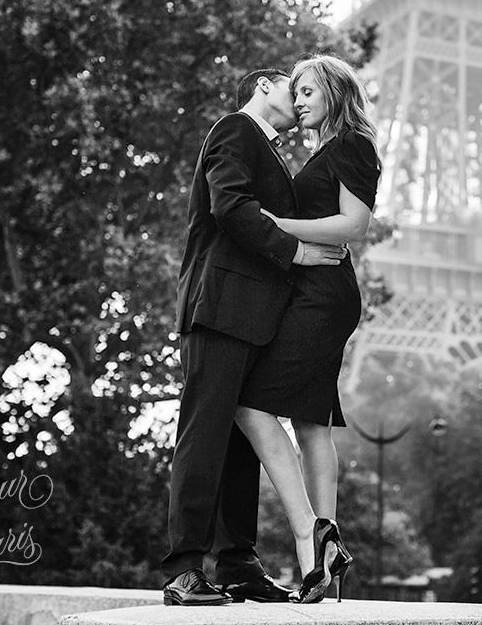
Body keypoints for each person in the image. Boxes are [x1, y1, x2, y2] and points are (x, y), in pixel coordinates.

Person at [162, 68, 349, 606]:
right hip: (221, 308)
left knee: (240, 444)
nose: (303, 99)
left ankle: (238, 564)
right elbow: (230, 207)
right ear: (266, 84)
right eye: (297, 87)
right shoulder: (235, 131)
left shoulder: (267, 150)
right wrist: (298, 252)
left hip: (255, 316)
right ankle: (183, 570)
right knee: (203, 435)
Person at [234, 55, 381, 604]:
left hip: (324, 294)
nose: (298, 101)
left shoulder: (353, 145)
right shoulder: (327, 150)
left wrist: (274, 225)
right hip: (311, 291)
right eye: (293, 93)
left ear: (336, 91)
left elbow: (354, 225)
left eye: (307, 91)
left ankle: (311, 531)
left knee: (249, 403)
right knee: (311, 421)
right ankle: (321, 554)